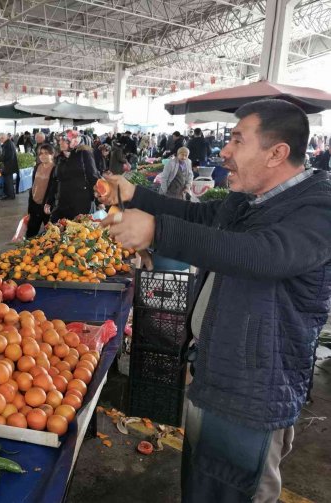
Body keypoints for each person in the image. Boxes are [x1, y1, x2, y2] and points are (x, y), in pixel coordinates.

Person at [97, 99, 331, 503]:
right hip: (215, 370)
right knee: (203, 485)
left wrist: (156, 231)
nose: (224, 150)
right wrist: (137, 195)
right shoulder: (250, 199)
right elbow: (201, 218)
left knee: (234, 490)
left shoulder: (317, 209)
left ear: (277, 153)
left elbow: (264, 254)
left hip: (253, 389)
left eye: (238, 140)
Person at [46, 130, 99, 222]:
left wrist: (99, 201)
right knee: (55, 228)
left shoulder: (84, 154)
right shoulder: (60, 158)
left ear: (74, 141)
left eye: (64, 140)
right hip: (62, 201)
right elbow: (55, 181)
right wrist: (49, 201)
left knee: (77, 232)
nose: (60, 142)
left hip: (80, 202)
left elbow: (93, 177)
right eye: (60, 140)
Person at [27, 144, 55, 238]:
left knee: (50, 233)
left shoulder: (55, 169)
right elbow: (34, 184)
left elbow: (54, 189)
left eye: (46, 153)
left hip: (47, 206)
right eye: (41, 153)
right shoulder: (37, 167)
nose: (43, 156)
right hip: (35, 204)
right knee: (31, 231)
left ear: (52, 154)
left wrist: (49, 203)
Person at [0, 133, 19, 199]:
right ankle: (10, 195)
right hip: (10, 165)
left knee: (8, 181)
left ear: (2, 138)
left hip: (8, 165)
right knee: (9, 181)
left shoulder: (7, 144)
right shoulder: (10, 143)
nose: (0, 141)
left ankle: (10, 195)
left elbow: (6, 156)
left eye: (0, 139)